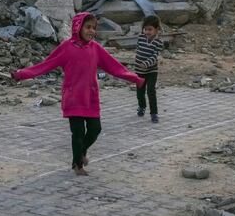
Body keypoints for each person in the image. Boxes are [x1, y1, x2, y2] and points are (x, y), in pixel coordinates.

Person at [11, 12, 144, 175]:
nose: (91, 31)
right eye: (88, 27)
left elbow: (114, 67)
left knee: (95, 129)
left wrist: (134, 78)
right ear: (78, 27)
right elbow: (45, 65)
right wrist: (21, 74)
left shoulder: (96, 48)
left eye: (94, 28)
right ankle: (77, 165)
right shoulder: (66, 48)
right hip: (73, 97)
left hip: (90, 97)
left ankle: (81, 152)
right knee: (78, 133)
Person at [133, 15, 164, 123]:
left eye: (150, 29)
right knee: (140, 92)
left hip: (151, 71)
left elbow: (155, 56)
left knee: (151, 91)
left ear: (156, 29)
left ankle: (154, 113)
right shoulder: (141, 38)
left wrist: (146, 64)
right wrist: (137, 64)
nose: (147, 32)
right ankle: (142, 107)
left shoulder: (159, 42)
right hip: (139, 71)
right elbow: (139, 50)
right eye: (145, 29)